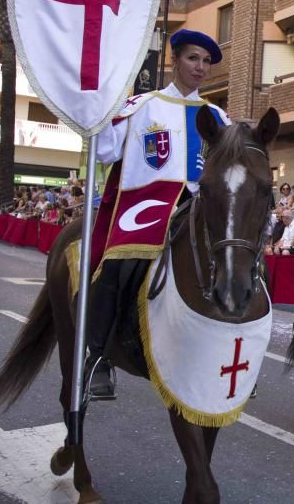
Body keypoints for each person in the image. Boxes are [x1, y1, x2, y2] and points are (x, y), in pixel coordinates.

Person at [84, 28, 229, 399]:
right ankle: (98, 358)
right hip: (144, 207)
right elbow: (103, 153)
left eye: (206, 61)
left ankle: (228, 354)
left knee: (240, 263)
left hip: (197, 209)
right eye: (193, 58)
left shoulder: (215, 116)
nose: (200, 67)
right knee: (118, 267)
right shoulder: (140, 106)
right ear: (176, 60)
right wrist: (102, 107)